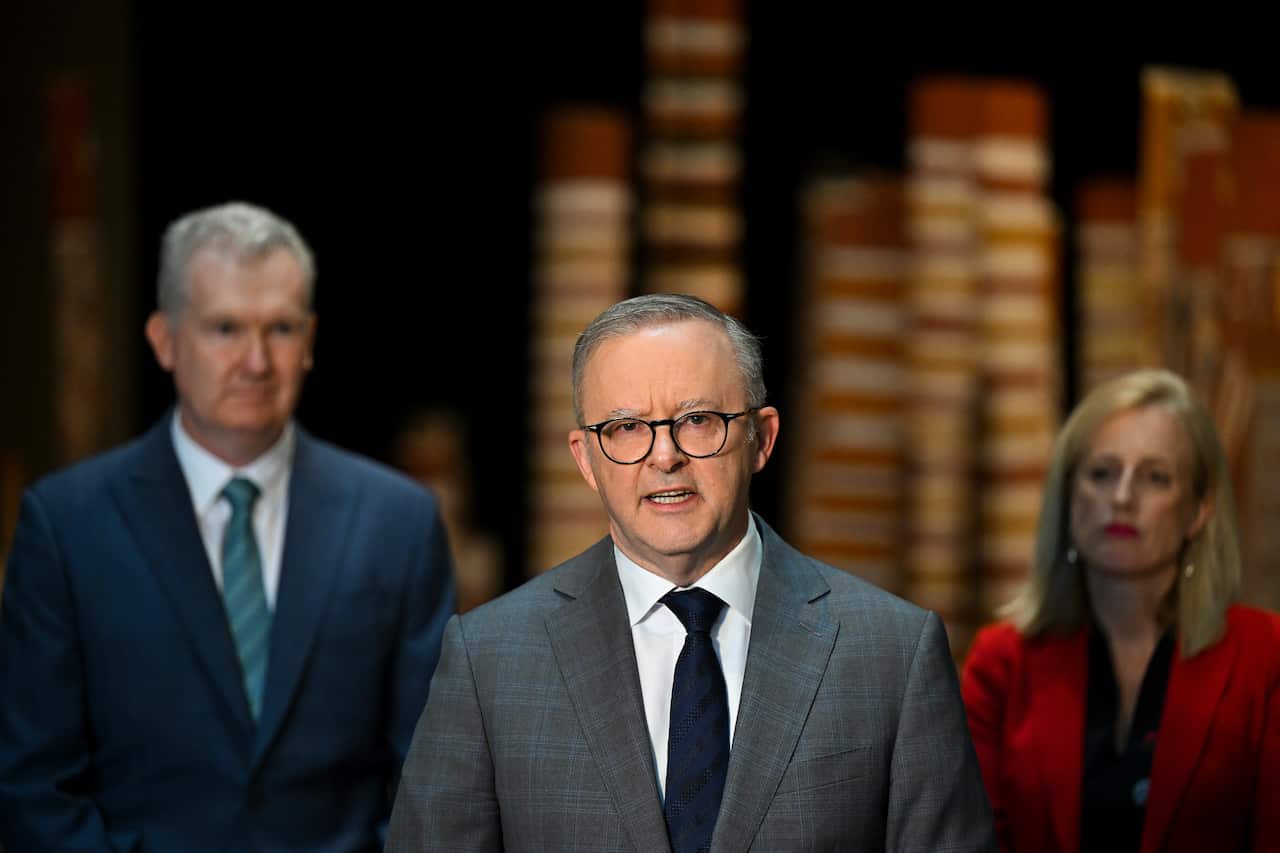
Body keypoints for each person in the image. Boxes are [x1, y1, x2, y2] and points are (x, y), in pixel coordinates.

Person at [387, 293, 994, 852]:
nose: (665, 455)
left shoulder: (893, 653)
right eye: (626, 428)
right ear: (586, 459)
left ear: (761, 438)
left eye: (698, 419)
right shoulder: (488, 660)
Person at [0, 201, 456, 852]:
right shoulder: (67, 526)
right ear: (163, 339)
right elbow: (32, 788)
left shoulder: (397, 522)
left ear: (310, 343)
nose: (255, 361)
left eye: (280, 329)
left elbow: (436, 782)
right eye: (225, 328)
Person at [961, 368, 1280, 853]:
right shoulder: (1001, 663)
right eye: (1102, 473)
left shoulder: (1267, 657)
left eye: (1155, 478)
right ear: (1068, 498)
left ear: (1198, 511)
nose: (1122, 498)